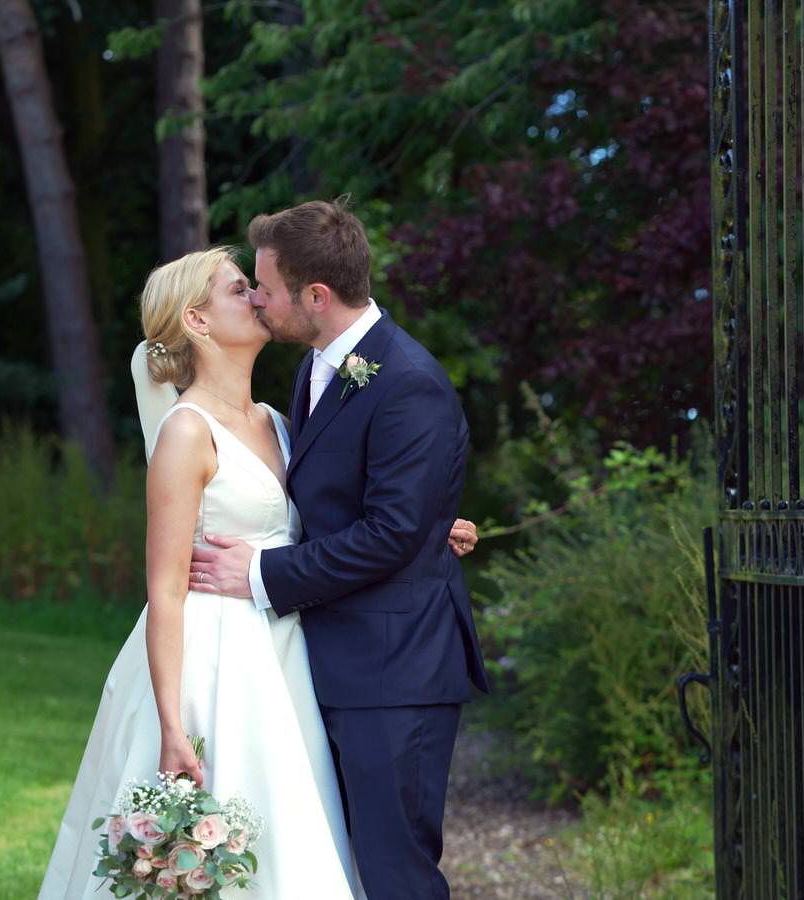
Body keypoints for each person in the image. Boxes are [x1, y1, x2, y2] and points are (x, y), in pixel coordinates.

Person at [38, 245, 480, 898]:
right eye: (239, 288)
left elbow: (334, 517)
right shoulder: (186, 433)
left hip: (287, 660)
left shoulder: (280, 419)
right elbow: (163, 587)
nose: (257, 298)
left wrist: (424, 526)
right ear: (197, 320)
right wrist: (171, 726)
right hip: (212, 667)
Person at [189, 198, 489, 899]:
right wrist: (428, 524)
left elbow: (388, 535)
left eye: (264, 287)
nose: (256, 300)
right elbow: (364, 504)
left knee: (394, 876)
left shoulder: (409, 382)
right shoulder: (321, 367)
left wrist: (262, 572)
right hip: (336, 661)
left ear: (315, 296)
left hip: (394, 673)